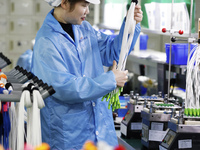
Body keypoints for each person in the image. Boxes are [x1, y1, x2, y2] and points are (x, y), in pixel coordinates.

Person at [31, 0, 143, 149]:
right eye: (84, 5)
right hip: (70, 136)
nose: (87, 11)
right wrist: (110, 79)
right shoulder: (47, 41)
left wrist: (130, 25)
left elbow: (113, 52)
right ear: (64, 3)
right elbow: (65, 87)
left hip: (100, 131)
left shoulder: (85, 29)